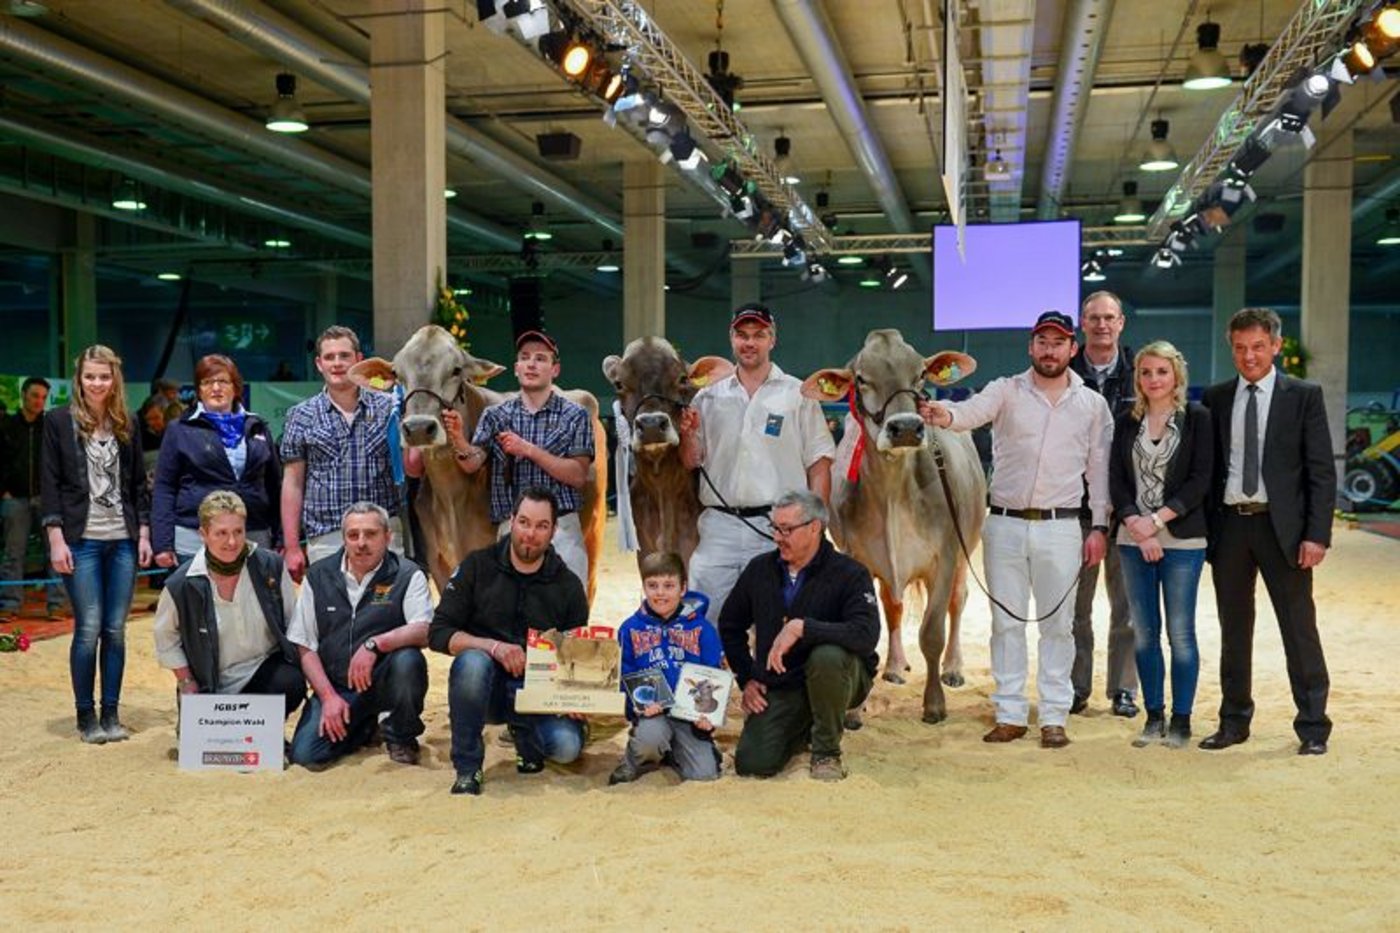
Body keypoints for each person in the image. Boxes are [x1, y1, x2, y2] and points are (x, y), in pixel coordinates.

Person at [919, 311, 1112, 749]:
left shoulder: (1091, 405)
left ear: (1072, 349)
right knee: (1005, 623)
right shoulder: (1005, 390)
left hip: (1062, 525)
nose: (1049, 350)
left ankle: (1053, 717)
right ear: (1031, 347)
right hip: (1003, 523)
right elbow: (967, 413)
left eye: (1058, 342)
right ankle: (1009, 713)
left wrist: (1099, 525)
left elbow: (1098, 473)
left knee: (1058, 626)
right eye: (1042, 341)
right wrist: (937, 413)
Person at [1200, 308, 1335, 756]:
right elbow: (1209, 470)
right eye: (1240, 348)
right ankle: (1234, 721)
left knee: (1299, 628)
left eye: (1258, 346)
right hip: (1232, 529)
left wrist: (1316, 535)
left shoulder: (1304, 396)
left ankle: (1313, 725)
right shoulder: (1217, 398)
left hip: (1286, 531)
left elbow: (1320, 472)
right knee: (1234, 630)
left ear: (1276, 345)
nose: (1249, 356)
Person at [430, 486, 590, 796]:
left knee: (568, 747)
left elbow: (576, 654)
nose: (531, 534)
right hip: (485, 690)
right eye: (525, 522)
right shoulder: (477, 566)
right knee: (472, 663)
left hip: (536, 694)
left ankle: (524, 734)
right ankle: (468, 767)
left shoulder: (569, 585)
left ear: (554, 530)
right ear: (512, 520)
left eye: (542, 526)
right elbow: (438, 633)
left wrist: (578, 697)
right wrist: (493, 647)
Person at [680, 303, 835, 623]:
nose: (749, 342)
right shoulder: (707, 396)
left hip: (777, 527)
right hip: (717, 526)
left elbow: (818, 463)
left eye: (758, 335)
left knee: (773, 621)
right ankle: (711, 675)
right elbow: (690, 461)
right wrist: (687, 434)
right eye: (742, 335)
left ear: (772, 340)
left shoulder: (798, 393)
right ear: (731, 339)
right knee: (707, 618)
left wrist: (816, 525)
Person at [720, 489, 879, 781]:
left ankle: (826, 752)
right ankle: (807, 722)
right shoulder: (760, 570)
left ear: (815, 528)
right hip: (782, 684)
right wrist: (748, 678)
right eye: (775, 528)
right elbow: (730, 625)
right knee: (753, 763)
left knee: (826, 656)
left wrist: (802, 627)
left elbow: (866, 634)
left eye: (786, 529)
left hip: (842, 677)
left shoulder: (851, 573)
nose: (778, 537)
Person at [41, 346, 153, 743]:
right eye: (90, 376)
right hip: (80, 540)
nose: (97, 383)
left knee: (116, 630)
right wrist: (56, 538)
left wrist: (142, 533)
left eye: (104, 376)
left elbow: (139, 483)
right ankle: (85, 716)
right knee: (88, 628)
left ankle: (111, 713)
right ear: (79, 379)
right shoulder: (57, 422)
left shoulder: (129, 422)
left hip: (122, 541)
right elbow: (49, 484)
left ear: (114, 379)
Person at [1109, 342, 1213, 749]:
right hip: (1132, 537)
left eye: (1162, 372)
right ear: (1138, 378)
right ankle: (1153, 717)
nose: (1154, 380)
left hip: (1182, 538)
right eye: (1146, 372)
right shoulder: (1125, 421)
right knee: (1145, 634)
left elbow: (1201, 479)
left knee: (1181, 634)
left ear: (1177, 376)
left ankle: (1182, 719)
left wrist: (1155, 523)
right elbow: (1116, 478)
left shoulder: (1198, 419)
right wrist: (1136, 524)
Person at [286, 502, 432, 768]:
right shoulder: (317, 576)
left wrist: (375, 644)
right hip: (338, 687)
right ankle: (364, 726)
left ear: (388, 537)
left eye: (371, 534)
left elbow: (424, 629)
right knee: (306, 755)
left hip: (384, 680)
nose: (361, 543)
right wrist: (328, 697)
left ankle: (400, 736)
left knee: (409, 660)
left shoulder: (408, 574)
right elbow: (304, 645)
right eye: (353, 535)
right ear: (344, 539)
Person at [446, 330, 594, 588]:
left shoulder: (575, 415)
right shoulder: (495, 415)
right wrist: (459, 440)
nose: (532, 364)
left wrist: (529, 450)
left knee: (566, 619)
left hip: (562, 529)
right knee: (509, 618)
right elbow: (472, 462)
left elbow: (578, 475)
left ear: (555, 369)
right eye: (525, 358)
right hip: (511, 529)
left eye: (540, 358)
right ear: (516, 368)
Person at [153, 491, 304, 716]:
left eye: (238, 532)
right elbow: (166, 638)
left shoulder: (270, 565)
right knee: (204, 750)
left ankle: (262, 731)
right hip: (209, 682)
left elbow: (293, 620)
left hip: (262, 672)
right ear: (203, 534)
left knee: (290, 683)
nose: (232, 542)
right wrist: (186, 682)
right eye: (221, 533)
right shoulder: (181, 584)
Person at [280, 325, 402, 582]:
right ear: (318, 364)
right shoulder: (300, 415)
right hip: (326, 535)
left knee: (388, 614)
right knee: (333, 618)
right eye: (329, 357)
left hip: (382, 532)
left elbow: (412, 468)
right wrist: (291, 547)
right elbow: (292, 484)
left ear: (359, 360)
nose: (337, 363)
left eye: (344, 356)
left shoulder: (389, 408)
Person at [1069, 291, 1139, 718]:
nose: (1101, 325)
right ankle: (1077, 688)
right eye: (1093, 318)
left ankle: (1123, 690)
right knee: (1076, 610)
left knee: (1127, 609)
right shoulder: (1065, 375)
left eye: (1108, 317)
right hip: (1077, 513)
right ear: (1083, 322)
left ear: (1121, 323)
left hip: (1129, 512)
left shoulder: (1140, 375)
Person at [152, 354, 282, 568]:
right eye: (207, 382)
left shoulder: (257, 426)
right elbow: (164, 488)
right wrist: (162, 543)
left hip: (254, 533)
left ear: (236, 387)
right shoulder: (179, 429)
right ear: (199, 390)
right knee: (199, 601)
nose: (215, 388)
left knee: (254, 601)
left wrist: (282, 536)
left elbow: (274, 486)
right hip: (194, 537)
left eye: (222, 381)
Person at [609, 551, 724, 785]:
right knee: (650, 740)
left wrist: (708, 717)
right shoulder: (629, 629)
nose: (660, 593)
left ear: (683, 589)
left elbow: (714, 673)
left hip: (690, 717)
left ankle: (675, 754)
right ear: (644, 587)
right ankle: (633, 761)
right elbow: (624, 674)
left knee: (705, 775)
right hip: (653, 715)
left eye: (668, 585)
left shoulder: (703, 629)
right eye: (652, 585)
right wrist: (636, 705)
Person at [1, 377, 66, 620]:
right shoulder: (6, 425)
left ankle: (57, 604)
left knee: (56, 552)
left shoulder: (49, 426)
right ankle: (9, 604)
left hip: (46, 498)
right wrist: (3, 490)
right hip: (14, 499)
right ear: (23, 395)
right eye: (34, 396)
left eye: (42, 397)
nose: (39, 401)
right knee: (13, 552)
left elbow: (59, 460)